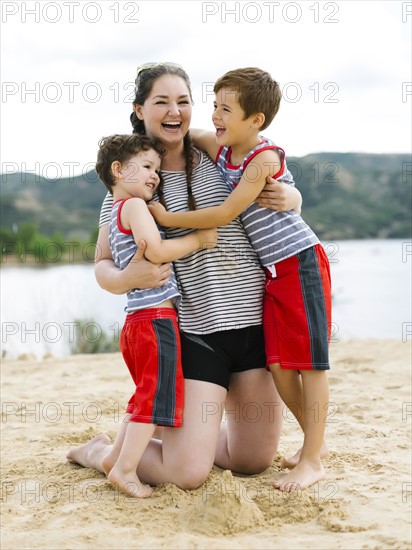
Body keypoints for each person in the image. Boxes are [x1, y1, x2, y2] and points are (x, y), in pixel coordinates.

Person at [67, 62, 302, 491]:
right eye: (161, 102)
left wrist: (294, 193)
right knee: (187, 474)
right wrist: (127, 277)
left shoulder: (220, 152)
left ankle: (175, 436)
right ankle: (102, 452)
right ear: (140, 109)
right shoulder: (132, 182)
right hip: (195, 335)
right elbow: (103, 264)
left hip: (253, 326)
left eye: (183, 101)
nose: (174, 111)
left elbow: (273, 179)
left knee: (251, 461)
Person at [149, 67, 332, 492]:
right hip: (272, 275)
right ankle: (313, 445)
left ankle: (313, 457)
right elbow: (186, 134)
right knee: (280, 365)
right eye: (213, 105)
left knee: (310, 364)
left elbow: (225, 214)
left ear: (256, 121)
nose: (215, 116)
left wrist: (167, 219)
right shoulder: (223, 147)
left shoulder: (263, 157)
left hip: (297, 264)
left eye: (225, 109)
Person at [94, 133, 217, 497]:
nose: (155, 176)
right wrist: (199, 240)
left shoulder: (113, 218)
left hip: (135, 323)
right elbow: (159, 249)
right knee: (156, 396)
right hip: (155, 320)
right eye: (147, 167)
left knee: (143, 394)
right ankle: (127, 469)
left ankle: (113, 457)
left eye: (158, 170)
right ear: (118, 170)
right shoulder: (133, 207)